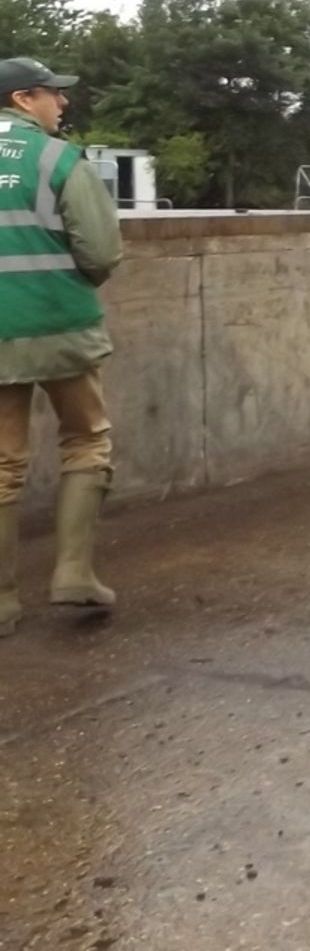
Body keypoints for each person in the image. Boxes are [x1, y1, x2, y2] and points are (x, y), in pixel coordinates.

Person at [0, 57, 124, 635]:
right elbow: (99, 251)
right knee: (85, 440)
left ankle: (1, 602)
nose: (63, 104)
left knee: (2, 465)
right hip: (60, 326)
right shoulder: (59, 159)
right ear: (23, 99)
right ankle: (73, 573)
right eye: (54, 95)